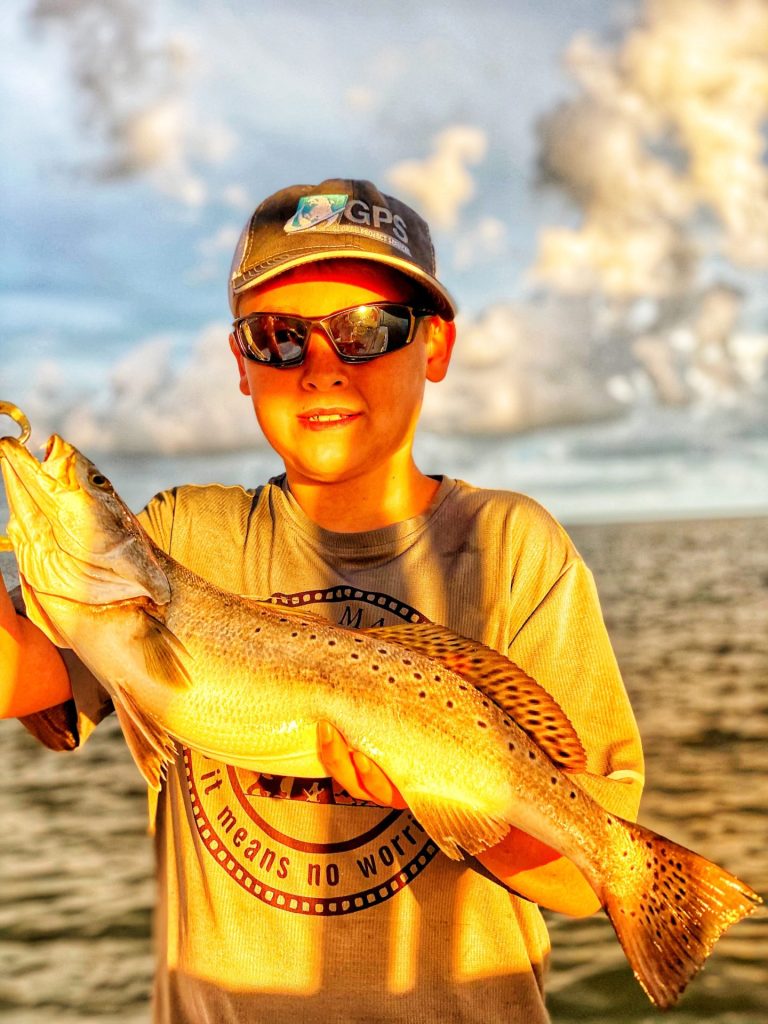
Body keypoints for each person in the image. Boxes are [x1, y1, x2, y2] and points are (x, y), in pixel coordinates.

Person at [0, 178, 644, 1023]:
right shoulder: (180, 536)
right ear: (241, 361)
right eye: (278, 337)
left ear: (436, 346)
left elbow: (580, 876)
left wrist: (431, 783)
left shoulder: (512, 549)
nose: (322, 366)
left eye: (366, 329)